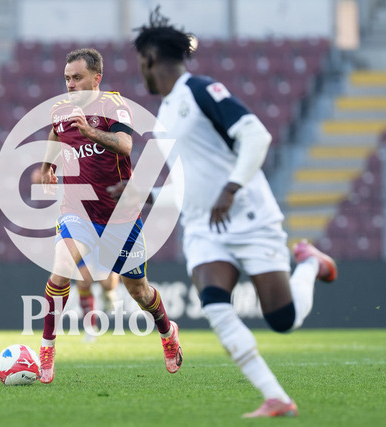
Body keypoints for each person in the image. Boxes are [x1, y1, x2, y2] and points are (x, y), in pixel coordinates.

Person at [112, 8, 338, 418]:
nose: (139, 71)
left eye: (140, 62)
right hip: (203, 227)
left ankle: (309, 264)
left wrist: (231, 188)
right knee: (214, 303)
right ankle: (276, 397)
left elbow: (256, 135)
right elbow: (189, 187)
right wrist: (147, 194)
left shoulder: (200, 90)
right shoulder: (164, 115)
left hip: (249, 216)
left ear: (149, 58)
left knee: (283, 319)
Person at [37, 47, 183, 384]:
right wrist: (47, 166)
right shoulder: (60, 110)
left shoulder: (113, 106)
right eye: (67, 78)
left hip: (121, 216)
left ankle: (167, 331)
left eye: (77, 78)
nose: (70, 84)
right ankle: (47, 348)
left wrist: (90, 132)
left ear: (96, 78)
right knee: (61, 269)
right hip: (77, 210)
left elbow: (125, 145)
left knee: (140, 292)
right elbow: (55, 133)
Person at [31, 167, 120, 342]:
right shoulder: (72, 158)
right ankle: (90, 327)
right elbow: (47, 169)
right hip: (79, 224)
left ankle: (109, 292)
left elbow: (125, 172)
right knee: (84, 279)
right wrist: (43, 173)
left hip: (105, 224)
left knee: (108, 283)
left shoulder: (105, 159)